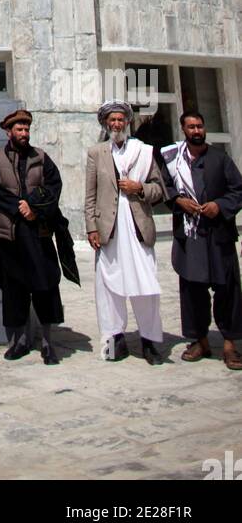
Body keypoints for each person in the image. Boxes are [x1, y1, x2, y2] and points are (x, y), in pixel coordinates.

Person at [0, 108, 78, 364]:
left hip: (38, 232)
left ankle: (48, 343)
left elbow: (53, 187)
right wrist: (21, 207)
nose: (24, 133)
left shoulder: (41, 157)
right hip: (11, 234)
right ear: (9, 132)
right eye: (19, 129)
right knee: (14, 290)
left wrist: (34, 209)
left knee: (45, 286)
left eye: (26, 129)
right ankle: (20, 341)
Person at [85, 101, 167, 364]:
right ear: (106, 123)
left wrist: (138, 187)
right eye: (112, 120)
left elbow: (159, 189)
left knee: (145, 286)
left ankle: (150, 342)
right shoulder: (96, 153)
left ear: (127, 122)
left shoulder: (142, 151)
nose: (116, 124)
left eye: (121, 119)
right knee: (108, 288)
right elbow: (90, 196)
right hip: (109, 231)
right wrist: (91, 228)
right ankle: (114, 342)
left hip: (137, 228)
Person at [165, 110, 242, 370]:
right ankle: (200, 341)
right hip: (190, 237)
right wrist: (178, 201)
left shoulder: (220, 159)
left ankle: (230, 343)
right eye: (191, 127)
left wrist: (219, 206)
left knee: (228, 290)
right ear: (183, 130)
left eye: (200, 126)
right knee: (192, 291)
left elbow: (237, 191)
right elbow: (164, 187)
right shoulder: (173, 161)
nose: (196, 131)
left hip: (219, 235)